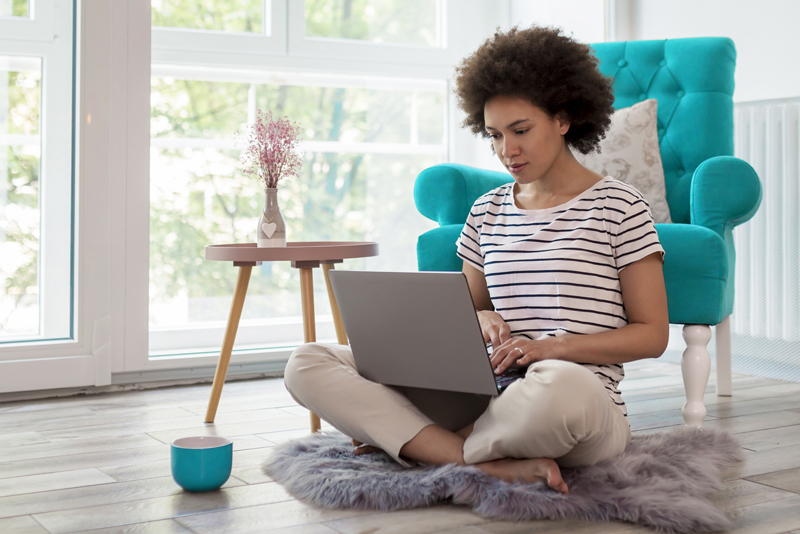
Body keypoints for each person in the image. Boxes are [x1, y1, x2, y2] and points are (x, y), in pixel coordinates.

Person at [283, 25, 669, 494]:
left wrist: (551, 348)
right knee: (307, 361)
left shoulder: (619, 206)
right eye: (495, 135)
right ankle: (478, 460)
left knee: (558, 385)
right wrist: (483, 319)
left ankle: (420, 446)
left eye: (521, 130)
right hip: (486, 396)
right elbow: (467, 310)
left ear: (563, 118)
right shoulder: (486, 211)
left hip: (573, 401)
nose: (508, 150)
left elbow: (652, 335)